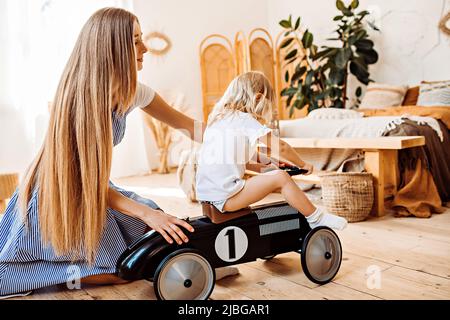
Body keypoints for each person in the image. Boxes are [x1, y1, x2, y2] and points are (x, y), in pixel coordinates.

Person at [0, 7, 237, 299]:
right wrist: (147, 214)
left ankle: (187, 259)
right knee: (124, 269)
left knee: (157, 235)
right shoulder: (84, 104)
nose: (144, 48)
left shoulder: (131, 91)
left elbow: (192, 128)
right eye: (135, 41)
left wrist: (247, 151)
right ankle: (49, 275)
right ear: (113, 48)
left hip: (96, 189)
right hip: (60, 195)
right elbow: (88, 185)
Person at [196, 71, 348, 231]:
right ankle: (316, 218)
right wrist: (303, 163)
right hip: (226, 198)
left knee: (277, 174)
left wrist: (270, 165)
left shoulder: (219, 121)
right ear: (258, 99)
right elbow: (280, 147)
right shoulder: (244, 120)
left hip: (208, 196)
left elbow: (240, 161)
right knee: (282, 178)